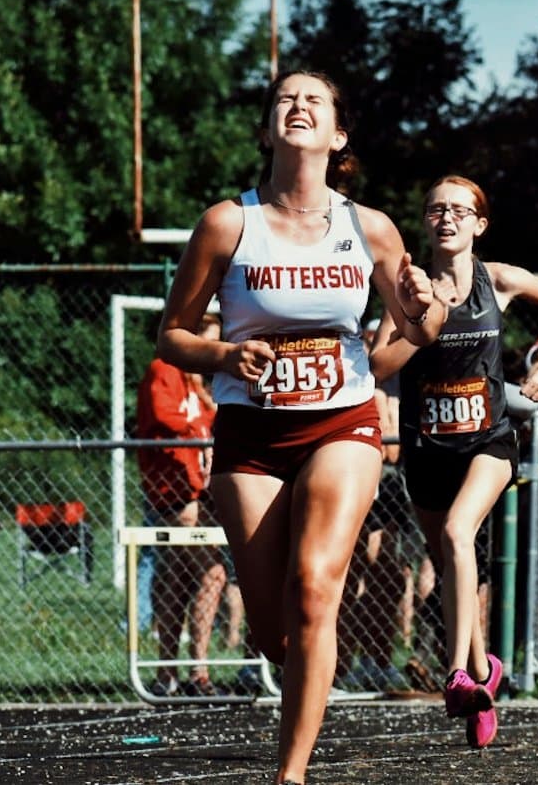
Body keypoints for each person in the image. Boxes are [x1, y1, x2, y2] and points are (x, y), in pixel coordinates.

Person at [155, 70, 443, 785]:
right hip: (250, 436)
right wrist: (225, 353)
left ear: (338, 135)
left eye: (315, 100)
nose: (300, 106)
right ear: (265, 130)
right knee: (273, 630)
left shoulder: (368, 226)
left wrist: (424, 302)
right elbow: (172, 336)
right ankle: (308, 656)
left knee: (316, 588)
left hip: (342, 423)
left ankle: (291, 775)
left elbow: (418, 329)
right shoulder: (228, 223)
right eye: (285, 98)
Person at [372, 174, 538, 749]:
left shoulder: (500, 280)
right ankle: (485, 675)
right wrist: (419, 321)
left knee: (460, 536)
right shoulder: (404, 285)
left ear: (479, 224)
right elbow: (379, 365)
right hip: (426, 445)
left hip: (488, 439)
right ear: (425, 221)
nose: (448, 218)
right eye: (437, 209)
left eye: (461, 211)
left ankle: (458, 676)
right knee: (450, 561)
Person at [137, 312, 227, 696]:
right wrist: (201, 423)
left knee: (178, 578)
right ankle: (197, 670)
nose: (213, 354)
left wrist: (206, 398)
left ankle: (170, 671)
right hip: (174, 491)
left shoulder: (196, 386)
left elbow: (215, 419)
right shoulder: (164, 370)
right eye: (208, 344)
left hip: (196, 489)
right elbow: (165, 418)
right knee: (212, 573)